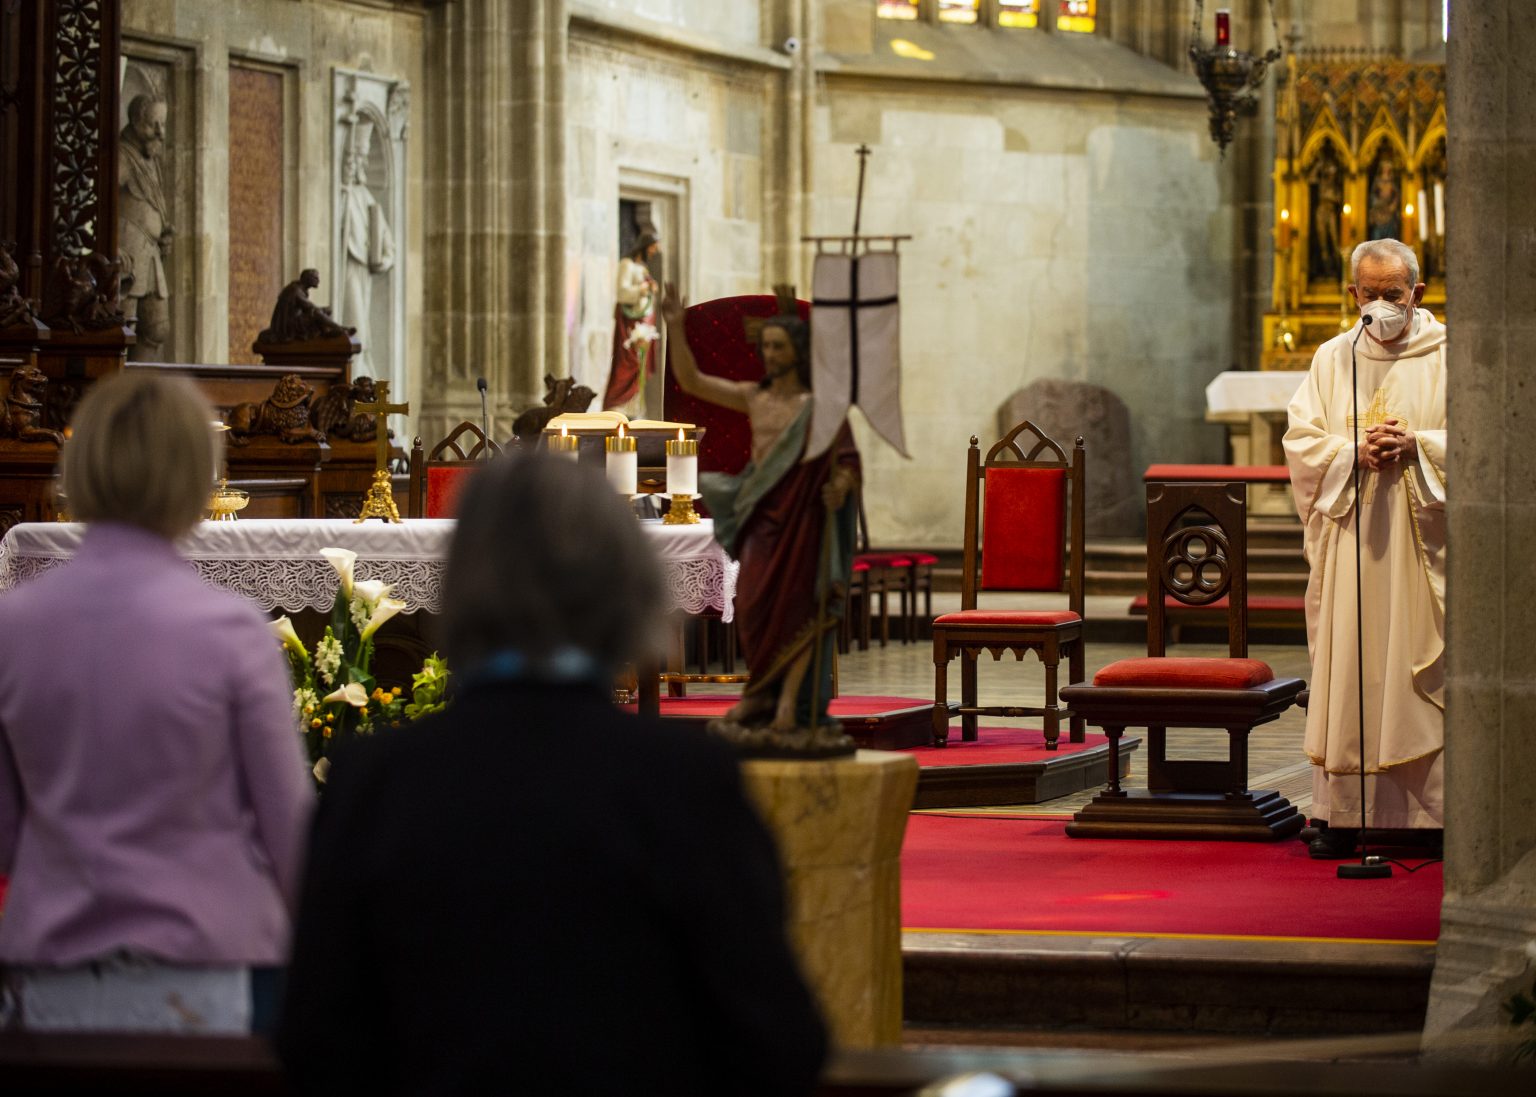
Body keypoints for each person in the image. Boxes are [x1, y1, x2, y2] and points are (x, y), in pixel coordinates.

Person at [278, 454, 827, 1096]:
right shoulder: (685, 782)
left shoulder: (373, 782)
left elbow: (315, 1040)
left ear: (458, 586)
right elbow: (779, 1042)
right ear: (628, 586)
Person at [0, 372, 313, 1032]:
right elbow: (290, 832)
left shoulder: (13, 627)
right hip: (211, 967)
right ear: (198, 477)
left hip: (55, 969)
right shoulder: (230, 633)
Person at [1283, 238, 1446, 860]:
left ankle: (1432, 814)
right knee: (1350, 664)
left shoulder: (1452, 355)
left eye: (1393, 295)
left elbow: (1487, 440)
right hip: (1352, 541)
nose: (1381, 306)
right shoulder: (1331, 358)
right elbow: (1301, 443)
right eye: (1369, 295)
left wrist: (1419, 445)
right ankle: (1344, 811)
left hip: (1423, 546)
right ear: (1353, 295)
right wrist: (1356, 451)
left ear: (1418, 293)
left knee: (1417, 663)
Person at [660, 286, 860, 751]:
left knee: (801, 613)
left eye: (779, 347)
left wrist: (842, 485)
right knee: (754, 608)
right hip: (763, 520)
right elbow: (692, 383)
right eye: (765, 346)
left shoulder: (818, 407)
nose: (769, 355)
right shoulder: (756, 397)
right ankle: (760, 695)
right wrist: (674, 327)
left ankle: (790, 707)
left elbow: (847, 458)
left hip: (805, 521)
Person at [118, 94, 173, 360]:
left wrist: (163, 232)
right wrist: (111, 246)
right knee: (121, 328)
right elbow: (98, 202)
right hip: (127, 254)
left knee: (157, 327)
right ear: (136, 121)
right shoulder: (121, 156)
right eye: (154, 125)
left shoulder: (150, 160)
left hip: (150, 254)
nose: (160, 133)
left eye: (163, 124)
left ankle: (145, 393)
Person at [337, 136, 395, 376]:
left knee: (363, 331)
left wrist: (384, 258)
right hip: (346, 270)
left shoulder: (364, 196)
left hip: (363, 272)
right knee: (354, 326)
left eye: (358, 160)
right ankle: (353, 378)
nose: (354, 165)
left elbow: (387, 243)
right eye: (349, 160)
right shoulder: (342, 195)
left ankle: (362, 377)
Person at [602, 231, 662, 412]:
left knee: (640, 365)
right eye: (652, 248)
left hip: (644, 323)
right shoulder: (626, 265)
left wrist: (652, 287)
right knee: (627, 364)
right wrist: (642, 290)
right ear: (644, 247)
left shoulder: (643, 268)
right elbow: (622, 293)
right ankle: (617, 407)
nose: (653, 252)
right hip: (630, 325)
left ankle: (634, 408)